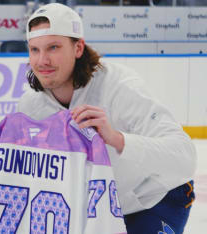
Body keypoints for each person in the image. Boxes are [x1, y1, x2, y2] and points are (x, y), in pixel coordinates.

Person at [17, 3, 197, 234]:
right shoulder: (30, 104)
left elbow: (185, 156)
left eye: (53, 47)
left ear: (78, 48)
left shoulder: (120, 87)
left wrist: (117, 139)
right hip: (95, 207)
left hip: (153, 199)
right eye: (34, 50)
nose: (42, 60)